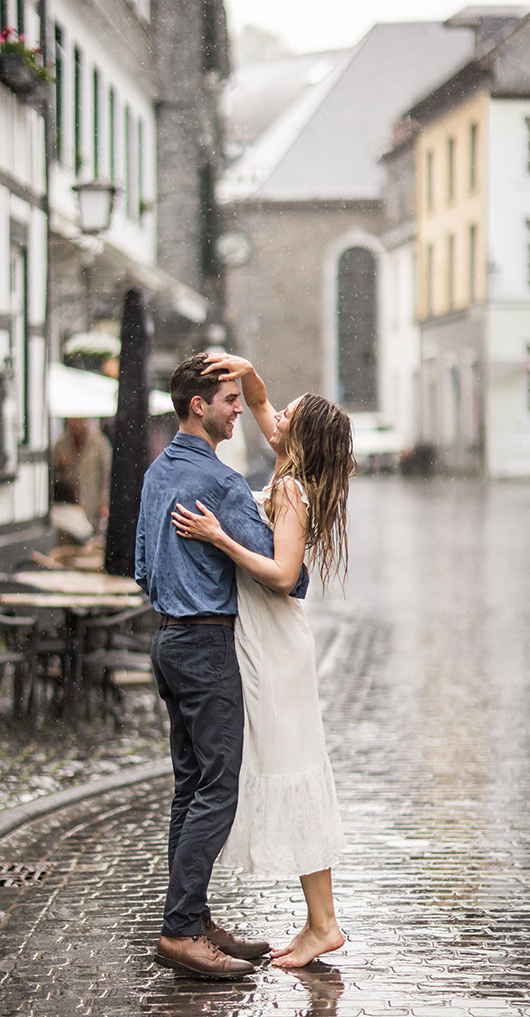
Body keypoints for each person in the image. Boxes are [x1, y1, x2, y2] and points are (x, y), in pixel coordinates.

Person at [170, 354, 353, 969]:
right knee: (291, 766)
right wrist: (246, 370)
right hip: (265, 638)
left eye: (286, 416)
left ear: (297, 436)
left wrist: (219, 537)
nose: (271, 418)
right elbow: (256, 398)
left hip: (275, 641)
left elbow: (282, 574)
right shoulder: (288, 473)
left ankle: (323, 924)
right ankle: (319, 922)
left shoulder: (293, 488)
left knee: (294, 767)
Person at [136, 353, 309, 980]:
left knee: (191, 784)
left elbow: (140, 565)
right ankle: (181, 931)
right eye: (229, 400)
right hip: (207, 647)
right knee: (218, 788)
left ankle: (192, 916)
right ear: (197, 405)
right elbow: (282, 574)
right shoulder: (219, 481)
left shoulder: (158, 472)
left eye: (240, 399)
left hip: (168, 643)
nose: (238, 410)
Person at [52, 416, 111, 530]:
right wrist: (61, 466)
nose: (75, 424)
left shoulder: (99, 444)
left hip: (92, 502)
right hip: (70, 507)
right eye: (72, 420)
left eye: (78, 420)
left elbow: (107, 475)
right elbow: (53, 478)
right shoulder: (61, 445)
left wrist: (105, 502)